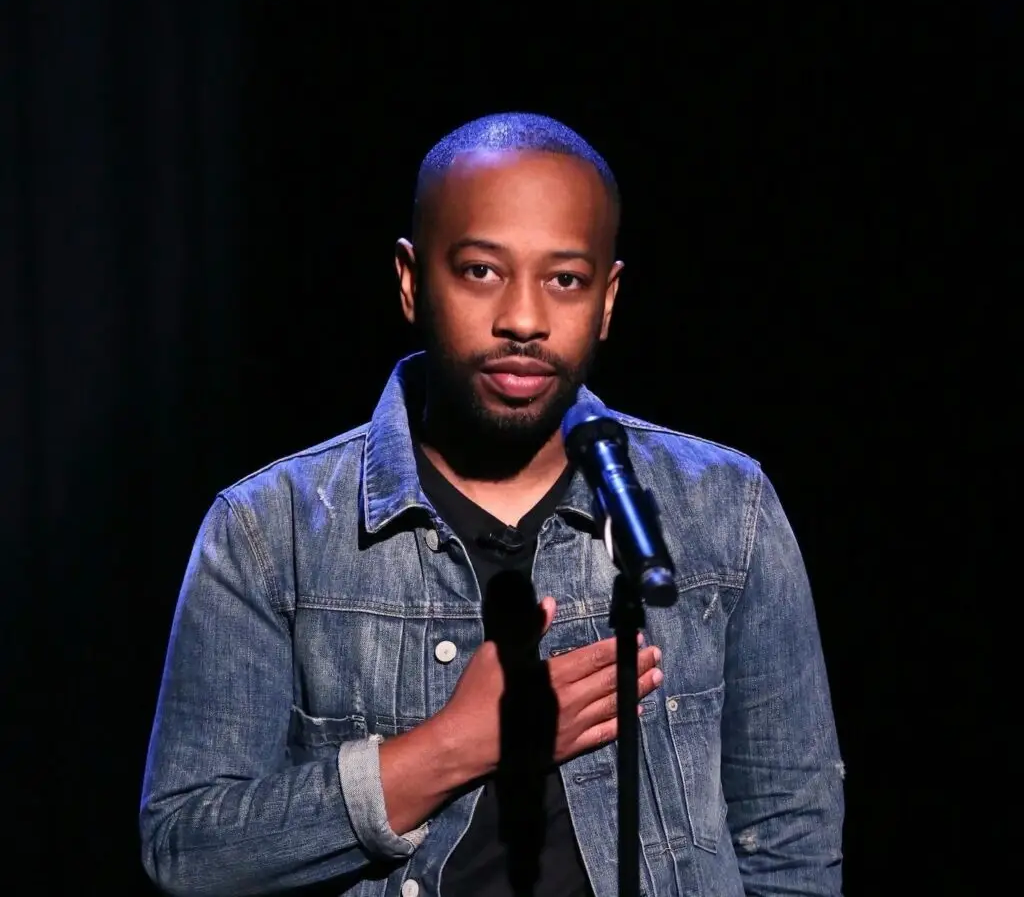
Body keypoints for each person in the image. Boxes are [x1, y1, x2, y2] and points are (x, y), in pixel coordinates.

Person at [140, 112, 845, 897]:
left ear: (608, 299)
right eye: (481, 271)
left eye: (565, 280)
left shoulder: (724, 508)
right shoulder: (271, 532)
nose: (524, 320)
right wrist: (452, 748)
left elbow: (792, 845)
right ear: (412, 281)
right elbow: (187, 848)